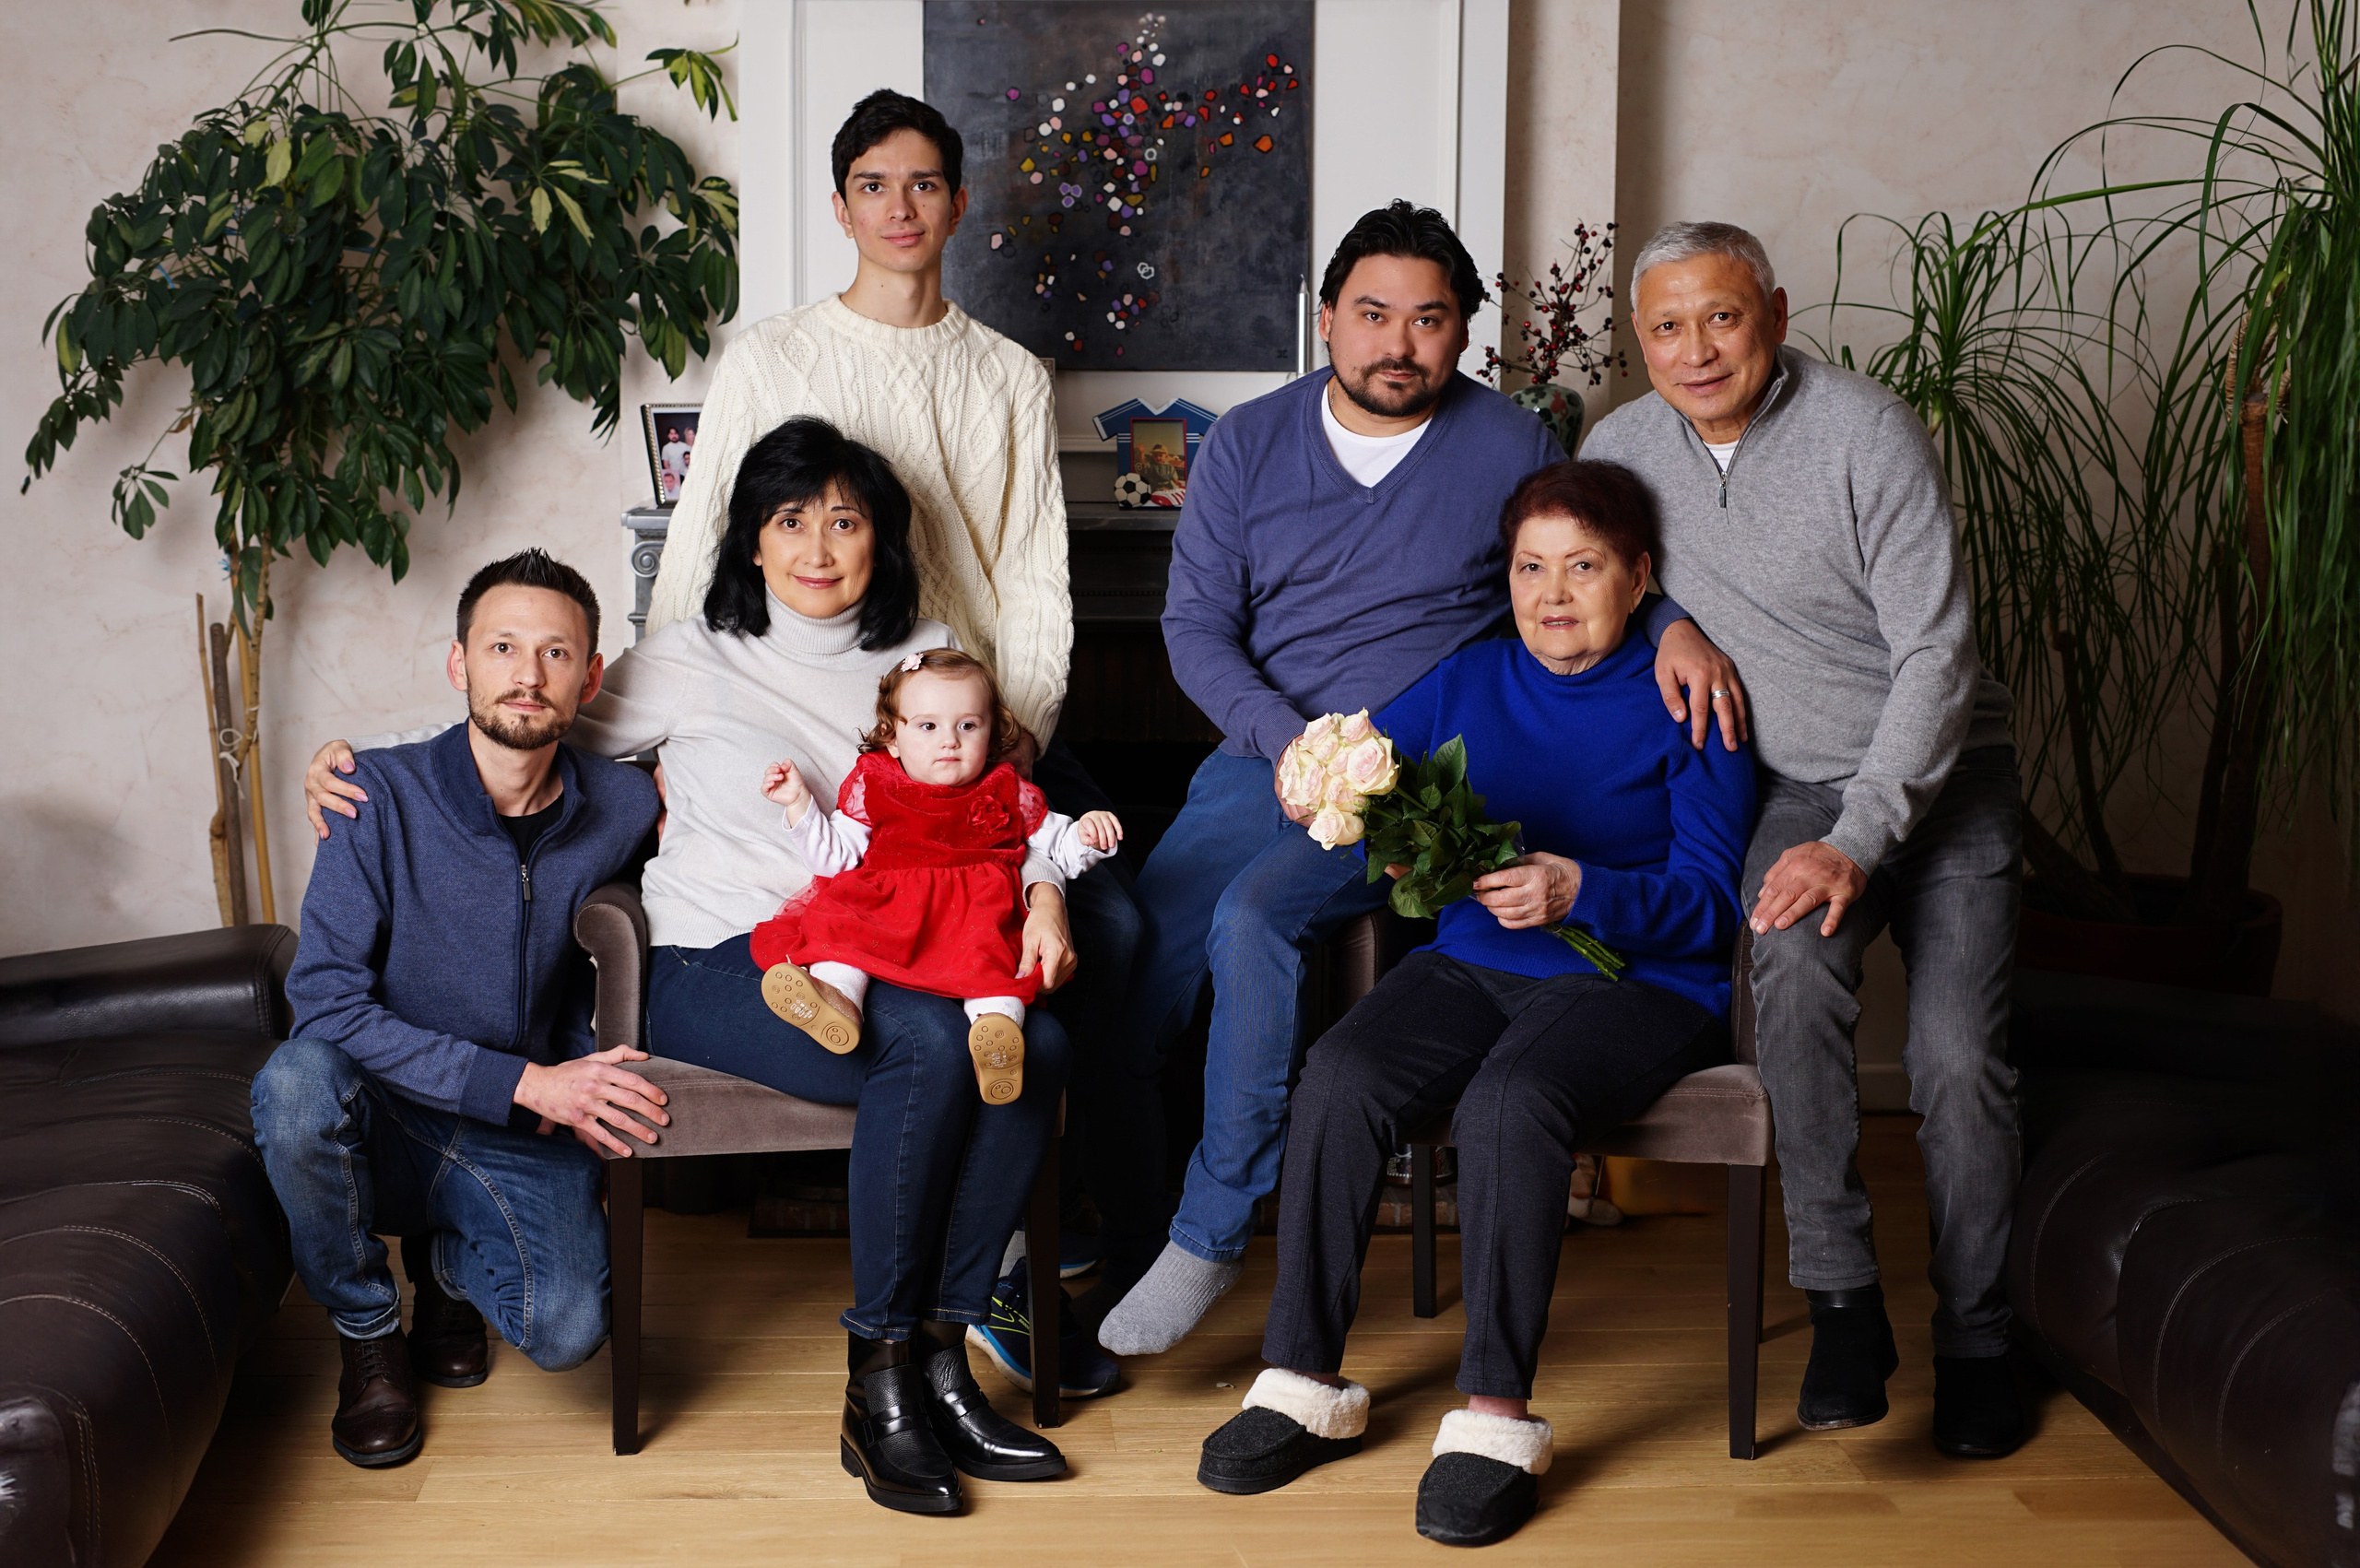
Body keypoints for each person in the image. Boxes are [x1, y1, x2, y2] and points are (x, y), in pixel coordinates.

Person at [301, 420, 1101, 1512]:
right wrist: (361, 769)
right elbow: (524, 720)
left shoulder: (927, 655)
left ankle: (942, 1360)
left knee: (1039, 1043)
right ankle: (879, 1380)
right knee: (921, 1045)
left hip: (885, 947)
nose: (817, 545)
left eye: (844, 519)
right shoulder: (686, 655)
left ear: (882, 541)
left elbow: (1001, 813)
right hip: (710, 957)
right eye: (789, 520)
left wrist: (1048, 890)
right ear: (751, 542)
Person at [1092, 200, 1749, 1355]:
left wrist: (1679, 624)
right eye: (1372, 314)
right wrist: (1284, 739)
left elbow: (1587, 554)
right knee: (1134, 976)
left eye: (1430, 320)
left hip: (1421, 778)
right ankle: (1129, 1244)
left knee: (1254, 923)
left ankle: (1207, 1233)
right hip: (1266, 758)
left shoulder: (1511, 442)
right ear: (1328, 321)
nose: (1398, 342)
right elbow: (1194, 625)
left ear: (1460, 336)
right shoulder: (1245, 441)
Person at [640, 85, 1139, 1301]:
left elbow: (1032, 581)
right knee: (932, 973)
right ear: (841, 207)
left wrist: (995, 756)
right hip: (851, 726)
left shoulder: (1009, 373)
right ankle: (968, 1250)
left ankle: (1066, 1233)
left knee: (1114, 927)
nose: (900, 206)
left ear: (957, 205)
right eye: (875, 185)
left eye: (923, 184)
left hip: (990, 730)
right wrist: (673, 733)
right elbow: (709, 534)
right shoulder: (776, 357)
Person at [1195, 461, 1752, 1546]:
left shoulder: (1690, 698)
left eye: (1582, 567)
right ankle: (1303, 1379)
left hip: (1632, 977)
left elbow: (1712, 905)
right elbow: (1357, 763)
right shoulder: (1470, 677)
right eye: (1529, 567)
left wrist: (1581, 889)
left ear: (1638, 580)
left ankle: (1495, 1414)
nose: (1552, 593)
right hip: (1471, 961)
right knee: (1342, 1074)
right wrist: (1319, 778)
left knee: (1513, 1098)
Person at [1581, 220, 2025, 1458]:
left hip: (1944, 780)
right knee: (1785, 966)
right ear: (1640, 339)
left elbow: (1938, 654)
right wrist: (1666, 615)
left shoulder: (1866, 432)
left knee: (1952, 1063)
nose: (1696, 348)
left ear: (1773, 312)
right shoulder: (1620, 445)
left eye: (1722, 317)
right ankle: (1842, 1306)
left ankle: (1982, 1338)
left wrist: (1867, 835)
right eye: (1667, 326)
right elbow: (1594, 565)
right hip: (1792, 782)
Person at [252, 551, 664, 1470]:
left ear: (590, 677)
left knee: (565, 1331)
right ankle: (367, 1339)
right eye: (503, 647)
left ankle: (445, 1269)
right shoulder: (374, 794)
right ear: (459, 664)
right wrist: (527, 1082)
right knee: (293, 1085)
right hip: (392, 1104)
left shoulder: (625, 803)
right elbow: (320, 997)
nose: (526, 674)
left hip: (515, 1123)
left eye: (556, 654)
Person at [753, 647, 1123, 1102]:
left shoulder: (1006, 788)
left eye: (968, 726)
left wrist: (1088, 837)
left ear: (991, 732)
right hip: (886, 911)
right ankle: (836, 1003)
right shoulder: (877, 780)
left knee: (995, 972)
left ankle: (998, 1041)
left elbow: (1057, 849)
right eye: (928, 726)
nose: (950, 740)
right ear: (892, 738)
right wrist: (799, 805)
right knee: (843, 935)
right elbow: (837, 859)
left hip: (975, 921)